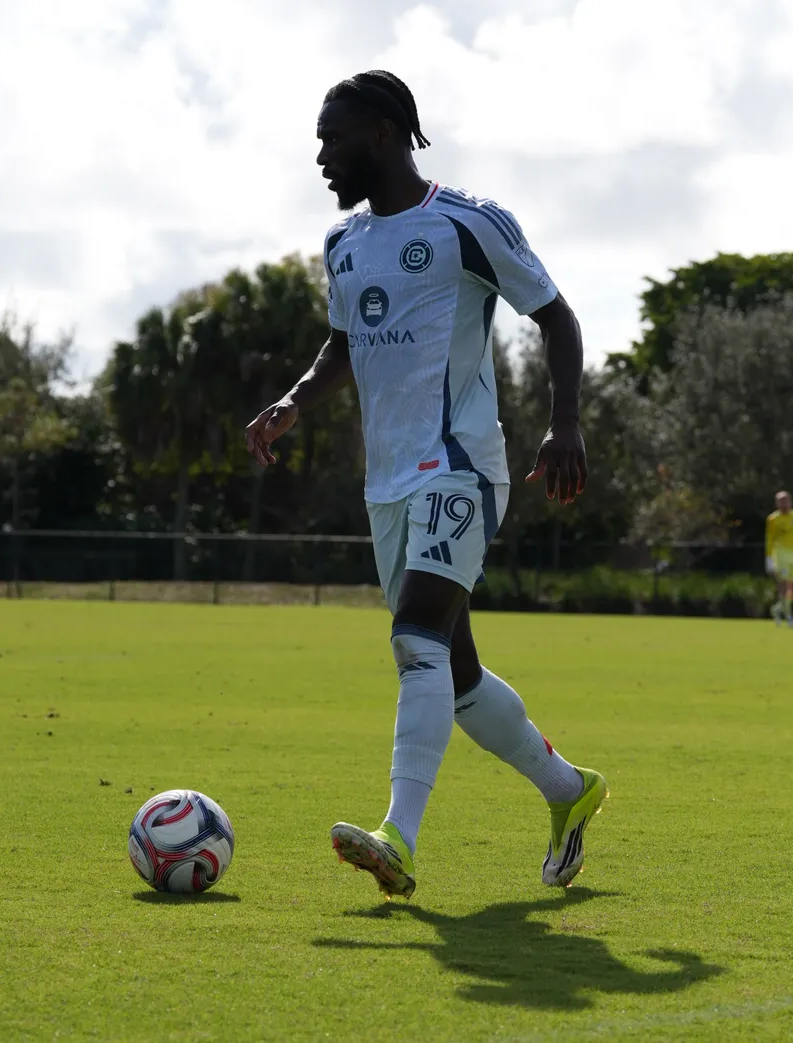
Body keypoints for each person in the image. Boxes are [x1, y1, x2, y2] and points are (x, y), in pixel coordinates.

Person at [245, 70, 606, 899]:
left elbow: (555, 314)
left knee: (415, 640)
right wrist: (296, 401)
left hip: (462, 465)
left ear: (380, 131)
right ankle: (569, 788)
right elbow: (342, 344)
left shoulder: (467, 224)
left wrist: (566, 421)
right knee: (458, 675)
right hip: (388, 486)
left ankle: (398, 839)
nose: (321, 158)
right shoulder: (343, 243)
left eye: (330, 139)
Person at [765, 491, 793, 626]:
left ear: (790, 502)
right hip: (780, 553)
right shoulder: (773, 519)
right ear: (777, 503)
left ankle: (778, 609)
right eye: (780, 501)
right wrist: (769, 558)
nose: (784, 504)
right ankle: (789, 616)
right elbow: (769, 539)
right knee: (784, 584)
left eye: (786, 501)